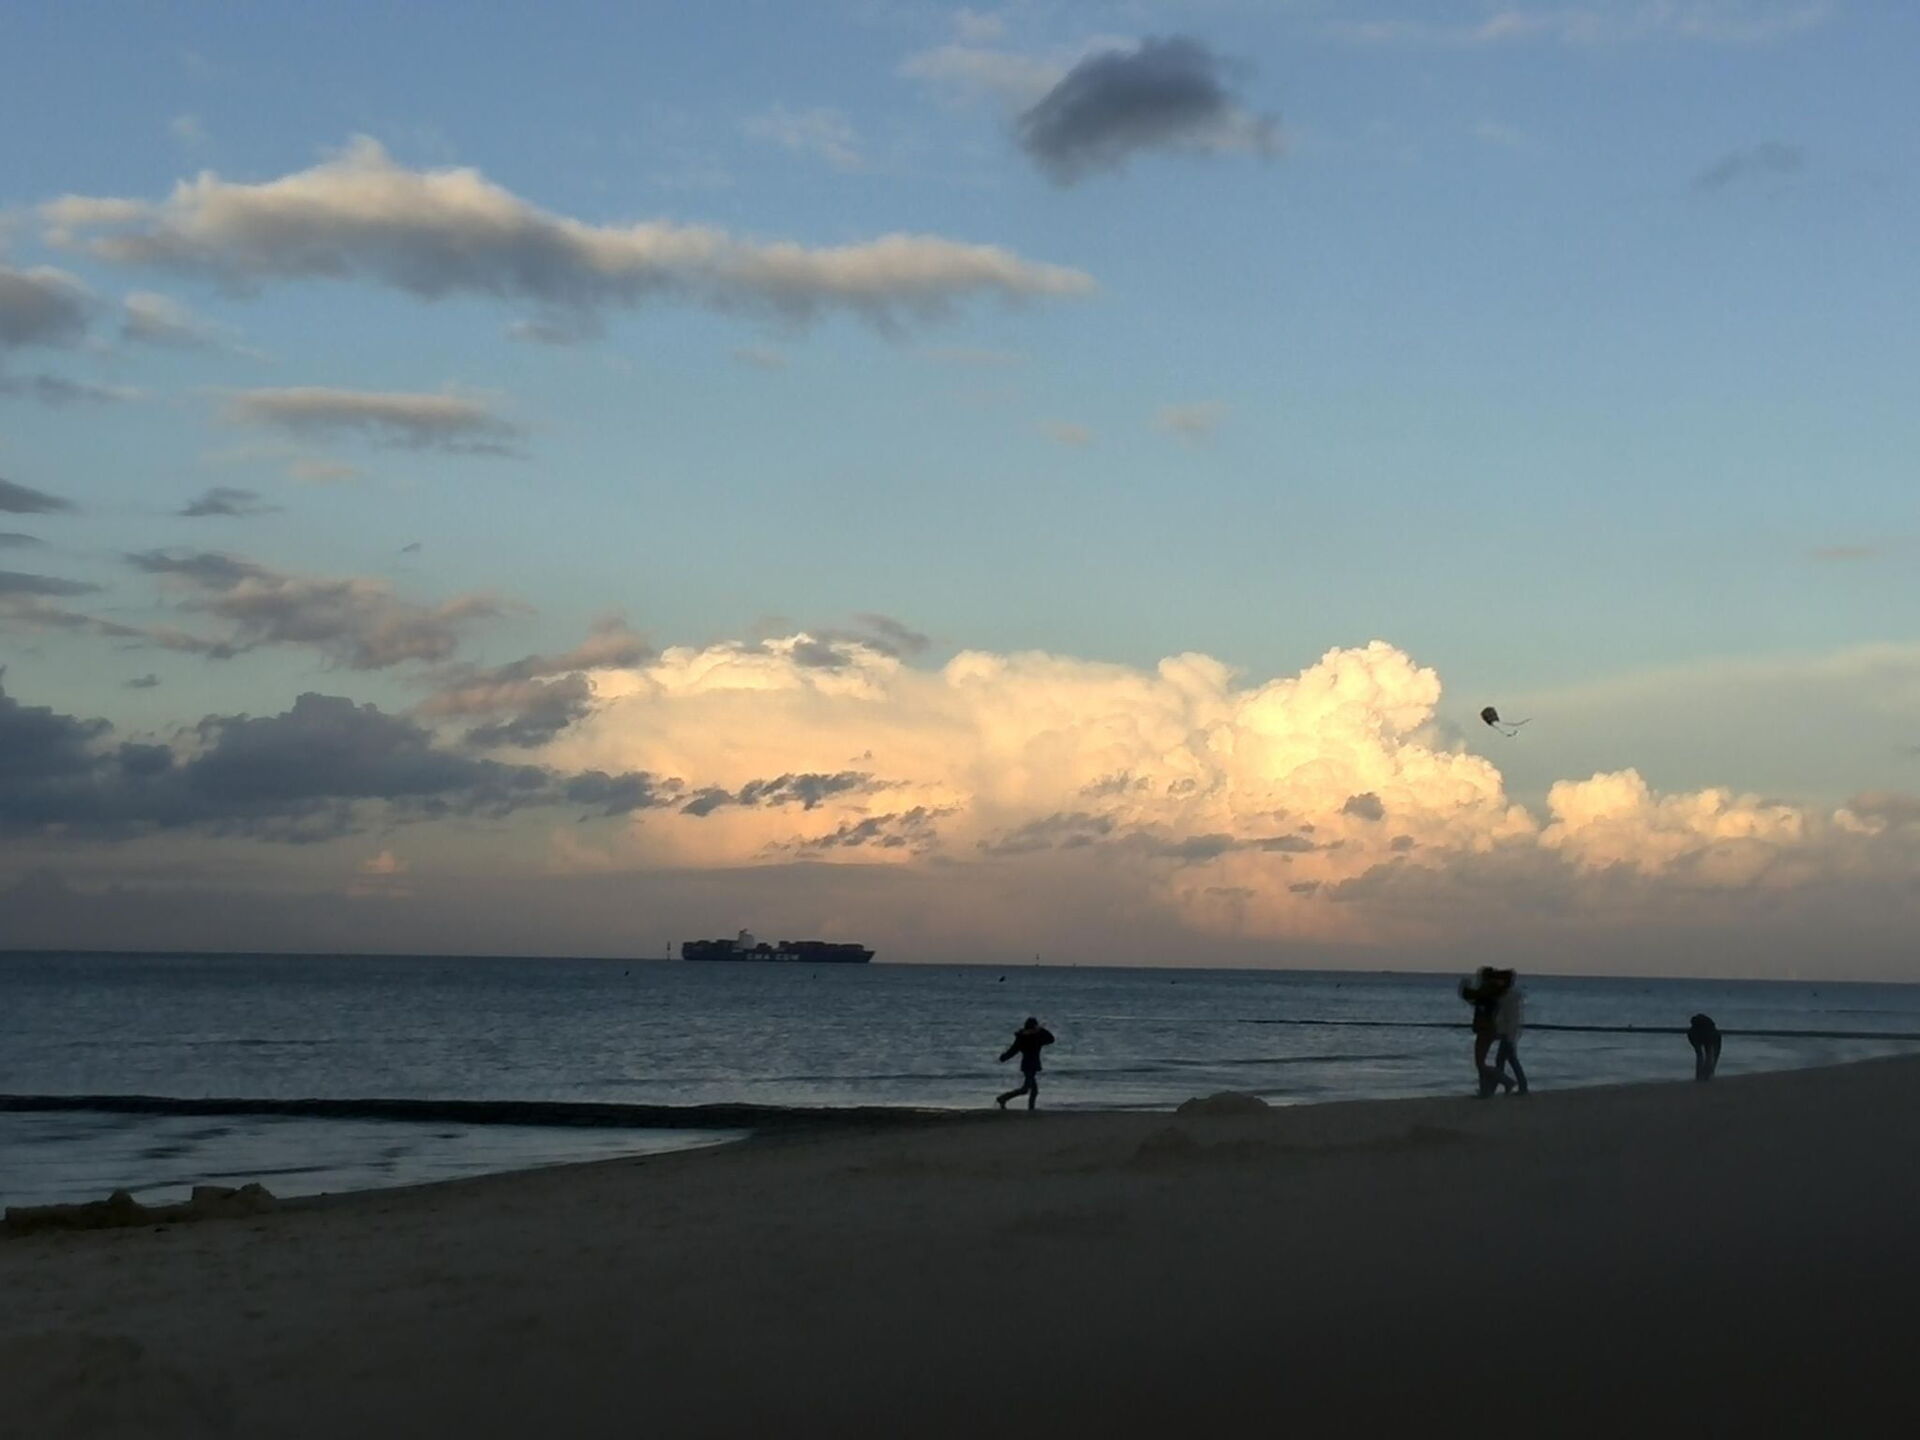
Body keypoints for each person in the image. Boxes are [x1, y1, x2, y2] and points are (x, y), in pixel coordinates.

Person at [996, 1016, 1055, 1111]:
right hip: (1030, 1065)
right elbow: (1051, 1039)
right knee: (1026, 1089)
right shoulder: (1032, 1037)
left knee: (1033, 1090)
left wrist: (1004, 1057)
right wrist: (1041, 1029)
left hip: (1029, 1064)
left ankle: (1030, 1108)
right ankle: (1003, 1098)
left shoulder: (1026, 1037)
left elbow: (1013, 1050)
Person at [1458, 968, 1502, 1096]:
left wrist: (1465, 989)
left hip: (1485, 1029)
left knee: (1480, 1062)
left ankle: (1504, 1080)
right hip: (1486, 1029)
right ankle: (1484, 1089)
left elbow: (1475, 997)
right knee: (1480, 1061)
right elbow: (1475, 1000)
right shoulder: (1491, 991)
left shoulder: (1488, 991)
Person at [1492, 970, 1527, 1096]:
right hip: (1507, 1032)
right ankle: (1517, 1085)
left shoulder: (1509, 996)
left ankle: (1506, 1085)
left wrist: (1510, 1037)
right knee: (1508, 1060)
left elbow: (1511, 1018)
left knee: (1504, 1060)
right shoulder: (1508, 995)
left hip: (1508, 1033)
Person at [1688, 1013, 1722, 1081]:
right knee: (1708, 1054)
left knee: (1700, 1055)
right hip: (1708, 1035)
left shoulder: (1693, 1031)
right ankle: (1706, 1075)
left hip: (1697, 1035)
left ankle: (1700, 1075)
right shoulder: (1711, 1029)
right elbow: (1716, 1053)